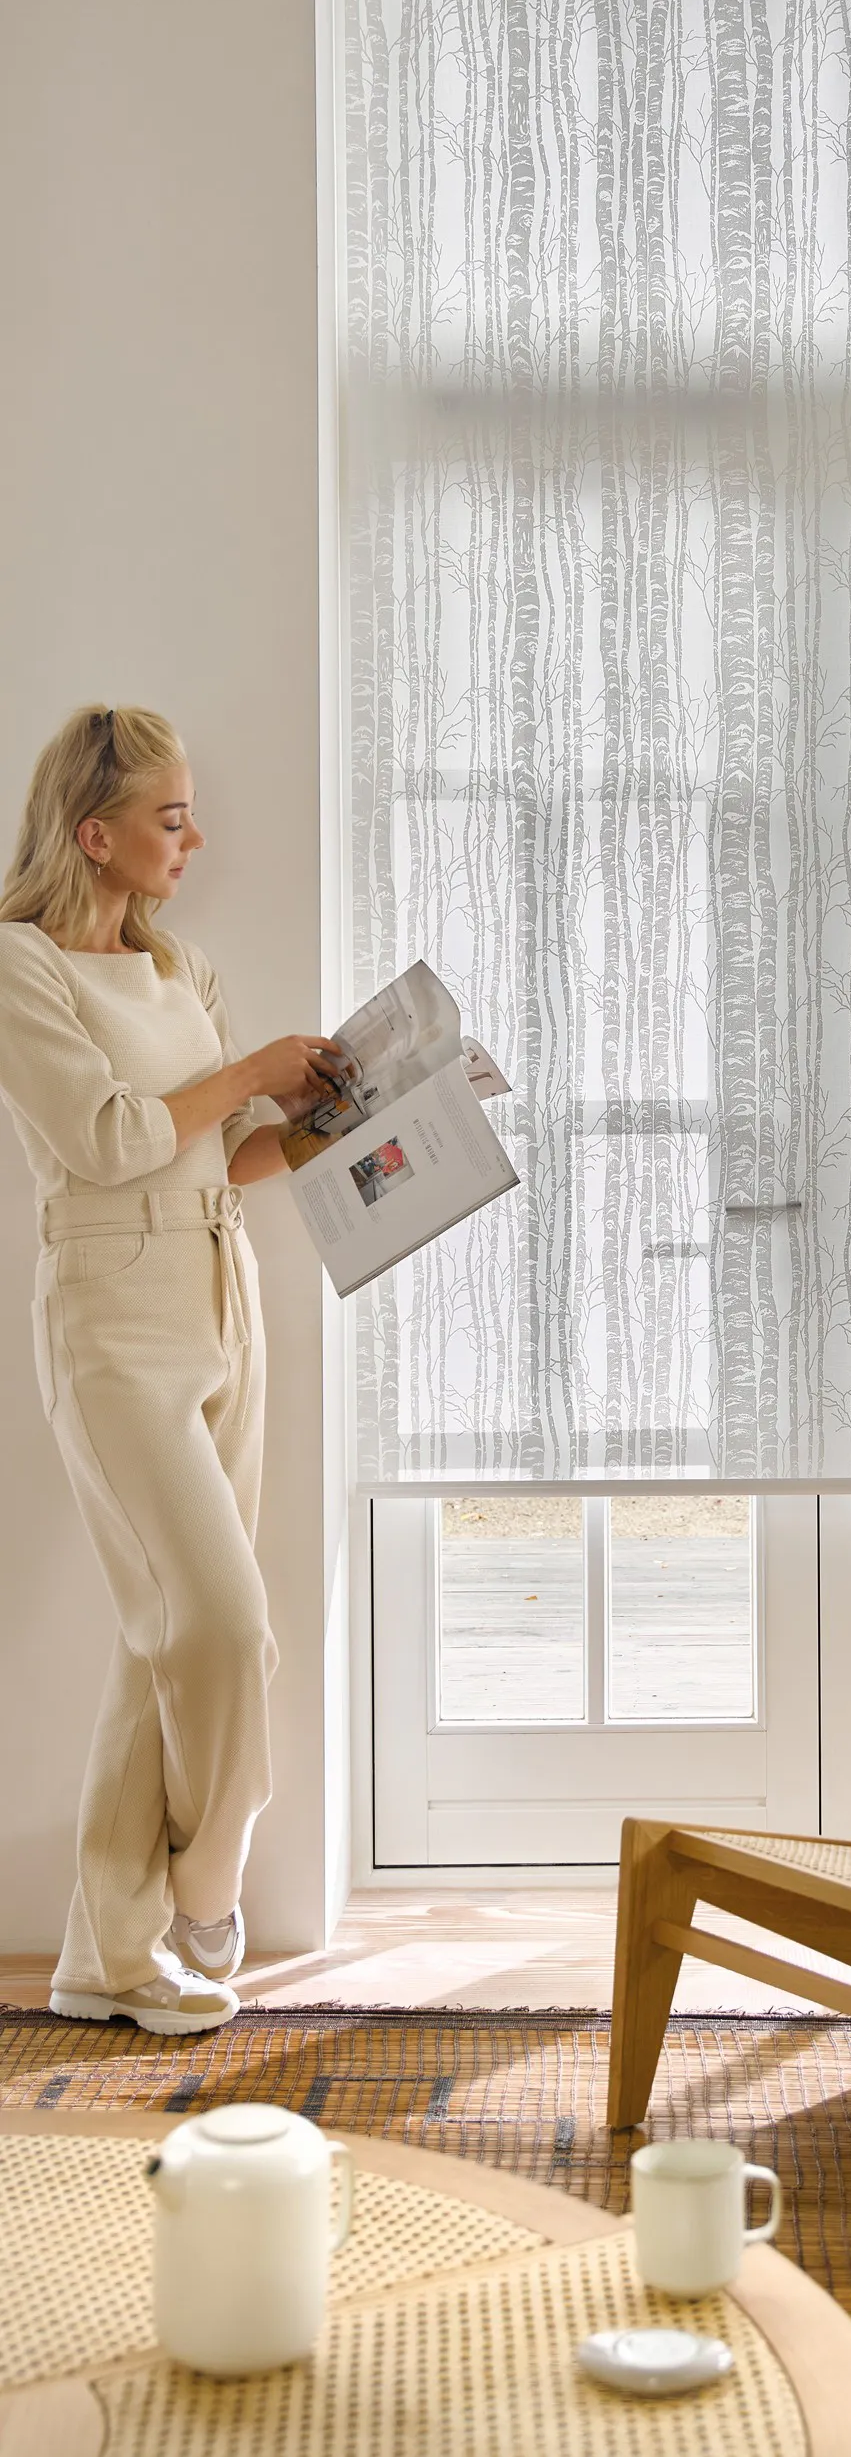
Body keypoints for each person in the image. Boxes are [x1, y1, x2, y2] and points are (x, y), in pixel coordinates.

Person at [0, 706, 345, 2035]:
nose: (192, 837)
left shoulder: (179, 969)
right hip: (110, 1321)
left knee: (165, 1642)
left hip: (219, 1298)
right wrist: (250, 1071)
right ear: (95, 833)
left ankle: (106, 1959)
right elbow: (107, 1139)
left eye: (188, 811)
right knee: (217, 1626)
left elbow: (227, 1153)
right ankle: (207, 1886)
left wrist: (332, 1120)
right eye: (169, 816)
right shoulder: (23, 967)